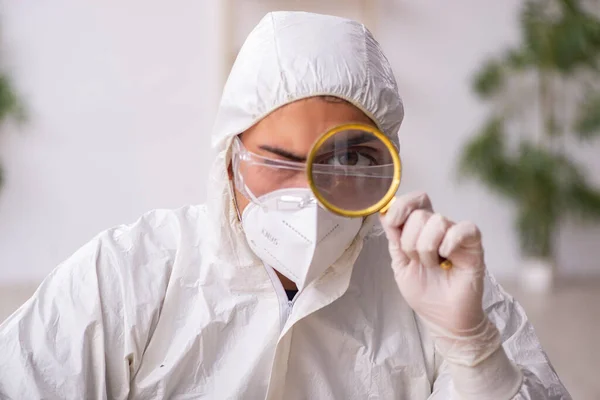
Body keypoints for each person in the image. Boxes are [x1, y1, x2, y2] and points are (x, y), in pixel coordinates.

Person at [0, 11, 570, 399]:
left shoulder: (447, 293)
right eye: (277, 160)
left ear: (385, 164)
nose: (308, 197)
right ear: (229, 160)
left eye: (345, 161)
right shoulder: (127, 274)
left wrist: (470, 347)